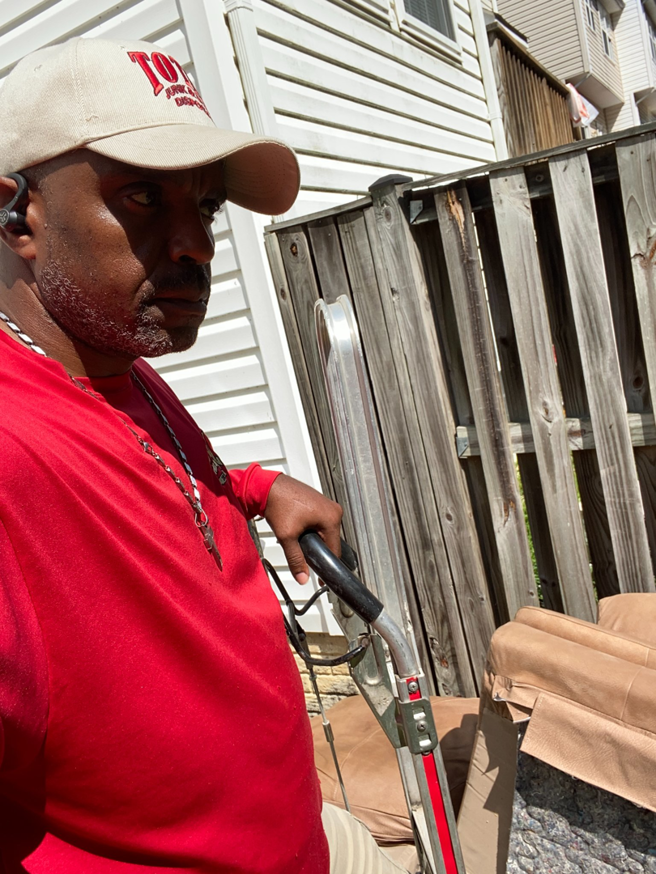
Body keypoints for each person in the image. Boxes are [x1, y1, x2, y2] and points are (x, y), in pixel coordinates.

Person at [0, 37, 410, 874]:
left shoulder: (120, 366)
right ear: (16, 217)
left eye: (208, 206)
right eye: (144, 197)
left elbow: (137, 467)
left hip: (303, 836)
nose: (196, 244)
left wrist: (257, 487)